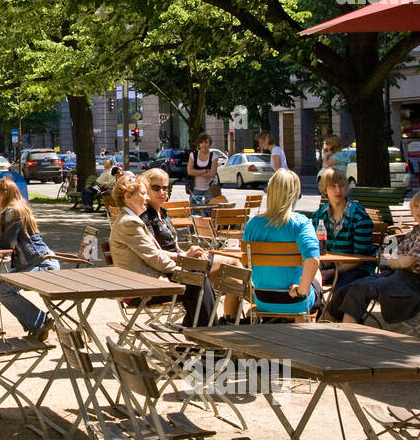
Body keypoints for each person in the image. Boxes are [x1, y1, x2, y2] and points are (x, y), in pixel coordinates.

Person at [340, 189, 420, 326]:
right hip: (397, 276)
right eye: (416, 206)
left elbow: (405, 262)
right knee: (346, 288)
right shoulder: (415, 232)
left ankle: (347, 333)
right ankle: (331, 327)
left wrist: (397, 261)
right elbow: (395, 257)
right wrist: (397, 260)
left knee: (360, 289)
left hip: (413, 285)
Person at [135, 169, 222, 326]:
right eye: (156, 188)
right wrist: (186, 256)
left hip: (182, 265)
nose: (162, 192)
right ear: (146, 189)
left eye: (166, 188)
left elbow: (174, 246)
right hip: (168, 271)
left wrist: (189, 253)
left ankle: (206, 332)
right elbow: (154, 253)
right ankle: (214, 333)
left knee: (211, 278)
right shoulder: (144, 216)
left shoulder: (164, 212)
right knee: (221, 271)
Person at [0, 177, 58, 340]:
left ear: (5, 194)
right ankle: (39, 325)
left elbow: (7, 244)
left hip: (42, 264)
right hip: (32, 264)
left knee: (2, 289)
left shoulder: (13, 211)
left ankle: (40, 323)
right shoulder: (5, 213)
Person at [242, 169, 322, 318]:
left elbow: (247, 263)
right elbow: (312, 261)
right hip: (295, 301)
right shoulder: (301, 223)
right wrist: (301, 291)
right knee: (317, 271)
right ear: (295, 195)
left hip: (263, 299)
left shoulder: (252, 224)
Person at [310, 168, 376, 319]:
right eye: (333, 186)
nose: (338, 190)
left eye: (342, 185)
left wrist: (332, 272)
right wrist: (320, 268)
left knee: (342, 290)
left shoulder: (359, 216)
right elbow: (319, 251)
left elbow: (360, 258)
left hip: (358, 267)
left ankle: (327, 320)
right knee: (305, 279)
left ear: (347, 187)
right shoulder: (319, 216)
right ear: (325, 189)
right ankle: (317, 314)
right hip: (330, 265)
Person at [186, 133, 219, 209]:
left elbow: (212, 174)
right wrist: (206, 170)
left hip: (210, 189)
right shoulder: (193, 155)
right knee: (194, 211)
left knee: (210, 211)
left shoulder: (214, 156)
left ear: (210, 144)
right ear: (199, 144)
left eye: (206, 142)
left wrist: (196, 172)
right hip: (195, 188)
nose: (204, 144)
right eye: (202, 142)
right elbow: (189, 172)